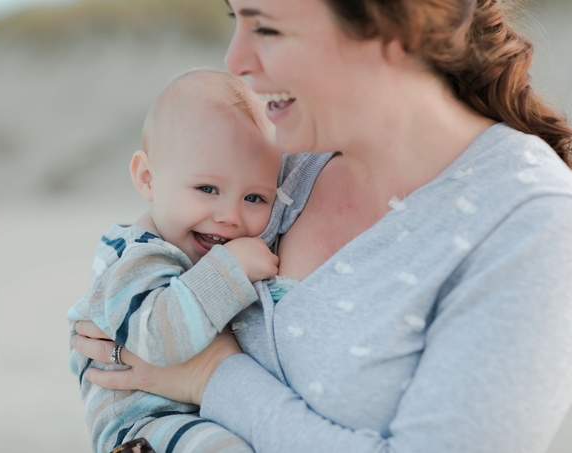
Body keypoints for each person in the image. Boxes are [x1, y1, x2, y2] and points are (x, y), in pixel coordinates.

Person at [72, 0, 572, 452]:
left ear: (392, 27)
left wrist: (209, 376)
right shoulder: (282, 160)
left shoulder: (531, 222)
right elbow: (137, 287)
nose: (236, 59)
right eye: (236, 19)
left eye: (266, 27)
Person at [68, 68, 283, 453]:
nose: (230, 216)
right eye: (208, 189)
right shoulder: (137, 257)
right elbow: (158, 339)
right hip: (143, 431)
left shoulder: (184, 244)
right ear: (147, 178)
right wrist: (231, 268)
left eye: (255, 198)